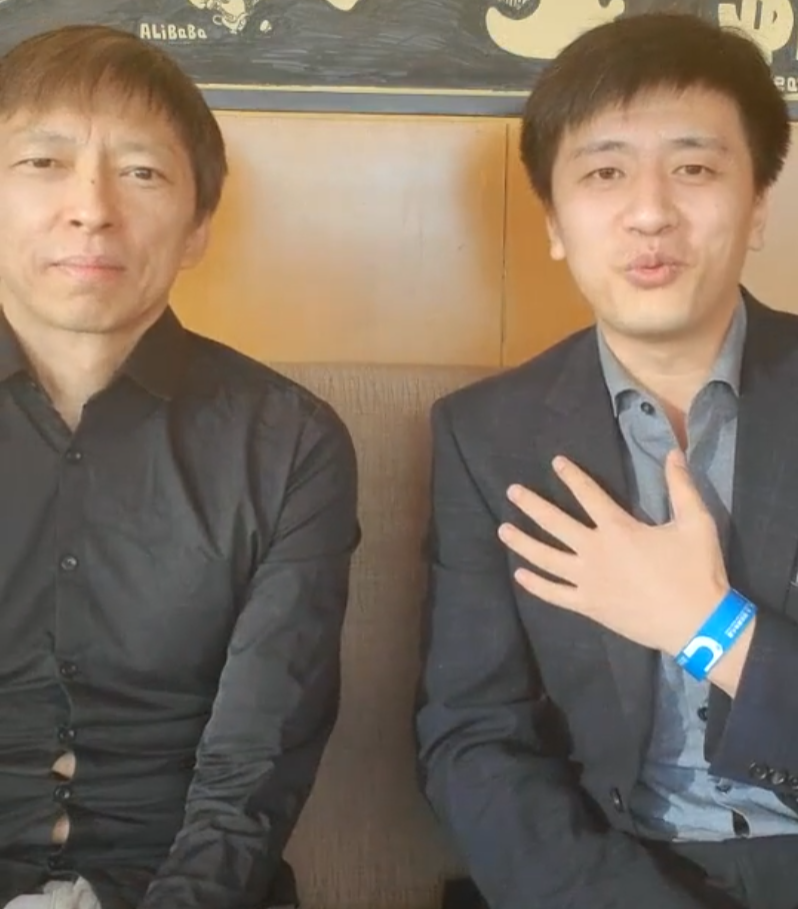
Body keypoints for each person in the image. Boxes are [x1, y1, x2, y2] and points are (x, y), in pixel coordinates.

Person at [417, 12, 798, 909]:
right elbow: (472, 739)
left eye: (695, 168)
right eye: (605, 172)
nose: (651, 211)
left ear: (758, 206)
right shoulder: (488, 435)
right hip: (613, 873)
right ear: (554, 221)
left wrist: (713, 629)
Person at [0, 23, 359, 909]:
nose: (91, 208)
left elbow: (255, 766)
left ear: (198, 227)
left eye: (141, 172)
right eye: (43, 162)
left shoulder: (290, 442)